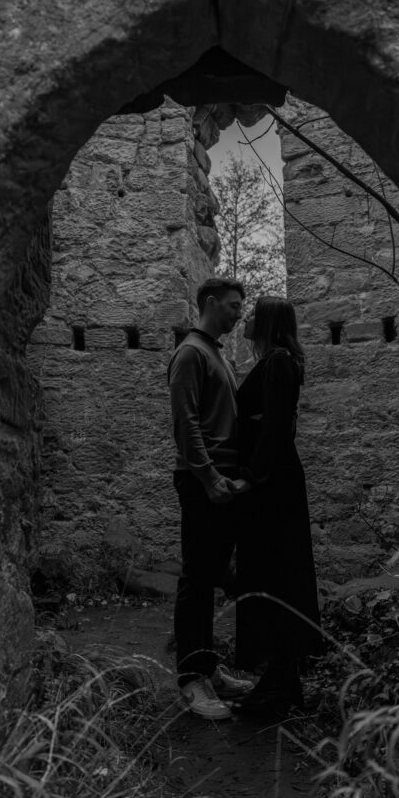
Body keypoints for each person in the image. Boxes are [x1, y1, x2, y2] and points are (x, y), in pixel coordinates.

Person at [168, 276, 254, 720]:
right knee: (197, 580)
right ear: (210, 302)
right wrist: (208, 476)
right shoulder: (190, 353)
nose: (240, 313)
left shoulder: (217, 354)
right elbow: (186, 423)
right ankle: (191, 680)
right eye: (234, 305)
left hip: (222, 482)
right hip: (204, 483)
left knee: (212, 575)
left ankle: (209, 669)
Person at [232, 295, 323, 717]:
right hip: (273, 482)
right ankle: (280, 680)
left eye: (253, 313)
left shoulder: (279, 363)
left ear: (268, 322)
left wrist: (250, 475)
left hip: (272, 487)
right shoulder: (276, 362)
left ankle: (279, 683)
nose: (246, 318)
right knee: (271, 573)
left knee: (275, 573)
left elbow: (274, 429)